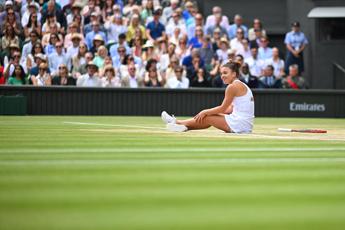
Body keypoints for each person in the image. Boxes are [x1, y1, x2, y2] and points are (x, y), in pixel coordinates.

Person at [161, 60, 254, 133]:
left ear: (234, 74)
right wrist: (210, 113)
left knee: (207, 117)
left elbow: (222, 108)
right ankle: (183, 126)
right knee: (209, 117)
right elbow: (229, 109)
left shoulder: (232, 86)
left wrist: (205, 112)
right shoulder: (241, 85)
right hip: (245, 125)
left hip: (240, 125)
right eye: (221, 73)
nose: (222, 76)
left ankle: (177, 122)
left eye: (225, 73)